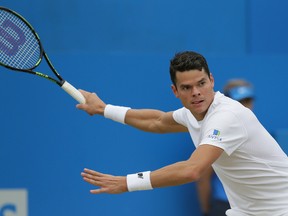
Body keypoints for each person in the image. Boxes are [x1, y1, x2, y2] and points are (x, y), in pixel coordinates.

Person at [77, 51, 288, 216]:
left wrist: (127, 183)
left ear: (212, 81)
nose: (196, 92)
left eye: (201, 83)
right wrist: (104, 109)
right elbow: (157, 121)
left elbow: (192, 169)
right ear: (175, 91)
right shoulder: (192, 113)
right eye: (186, 87)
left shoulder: (227, 116)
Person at [196, 79, 255, 216]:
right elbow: (203, 177)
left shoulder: (254, 131)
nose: (245, 106)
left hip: (254, 208)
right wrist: (206, 211)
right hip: (225, 206)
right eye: (240, 101)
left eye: (248, 101)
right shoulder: (216, 133)